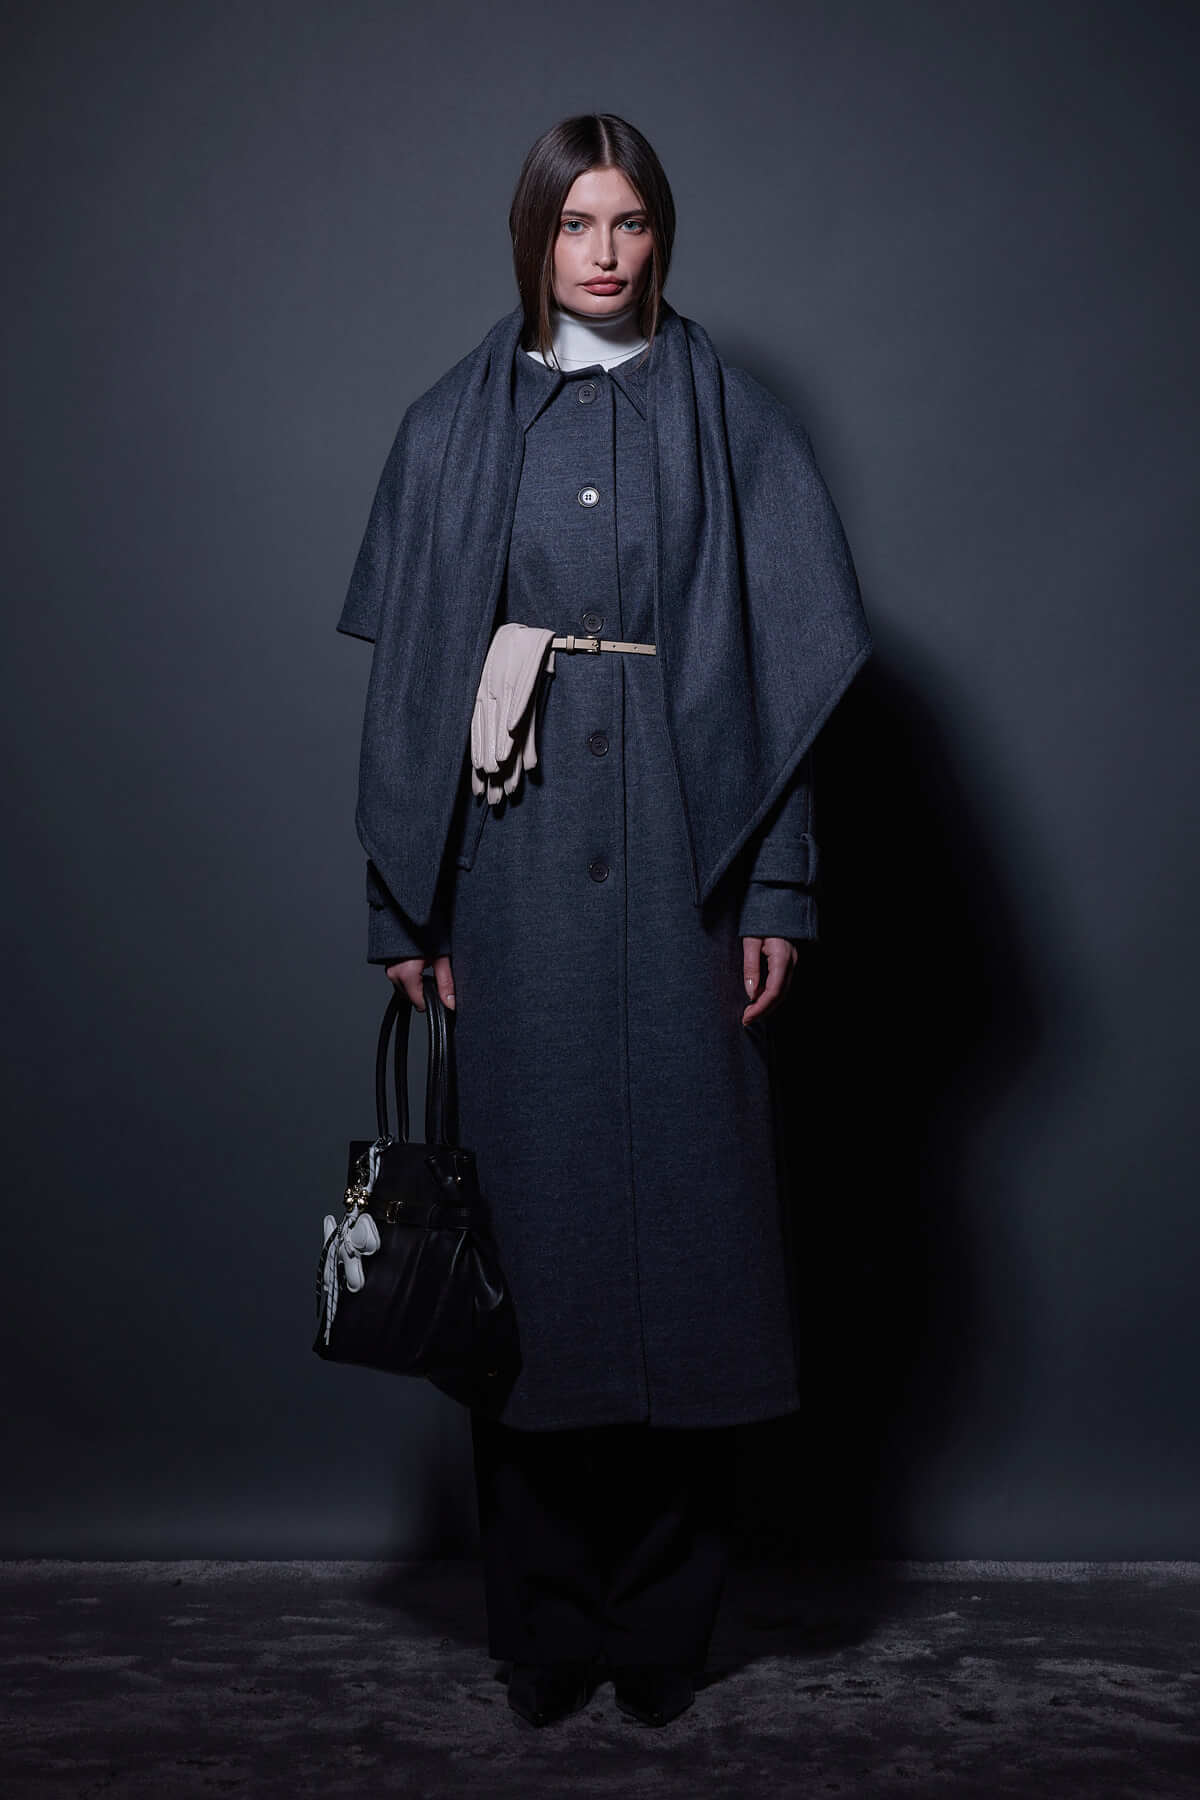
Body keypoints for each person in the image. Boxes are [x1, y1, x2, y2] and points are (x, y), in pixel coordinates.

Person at [338, 113, 872, 1728]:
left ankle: (666, 1630)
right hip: (507, 883)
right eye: (577, 223)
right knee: (530, 1261)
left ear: (661, 235)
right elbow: (408, 685)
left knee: (692, 1254)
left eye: (631, 221)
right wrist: (405, 901)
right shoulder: (451, 425)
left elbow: (786, 686)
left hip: (688, 874)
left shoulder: (735, 418)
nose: (607, 252)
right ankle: (546, 1624)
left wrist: (778, 883)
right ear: (534, 238)